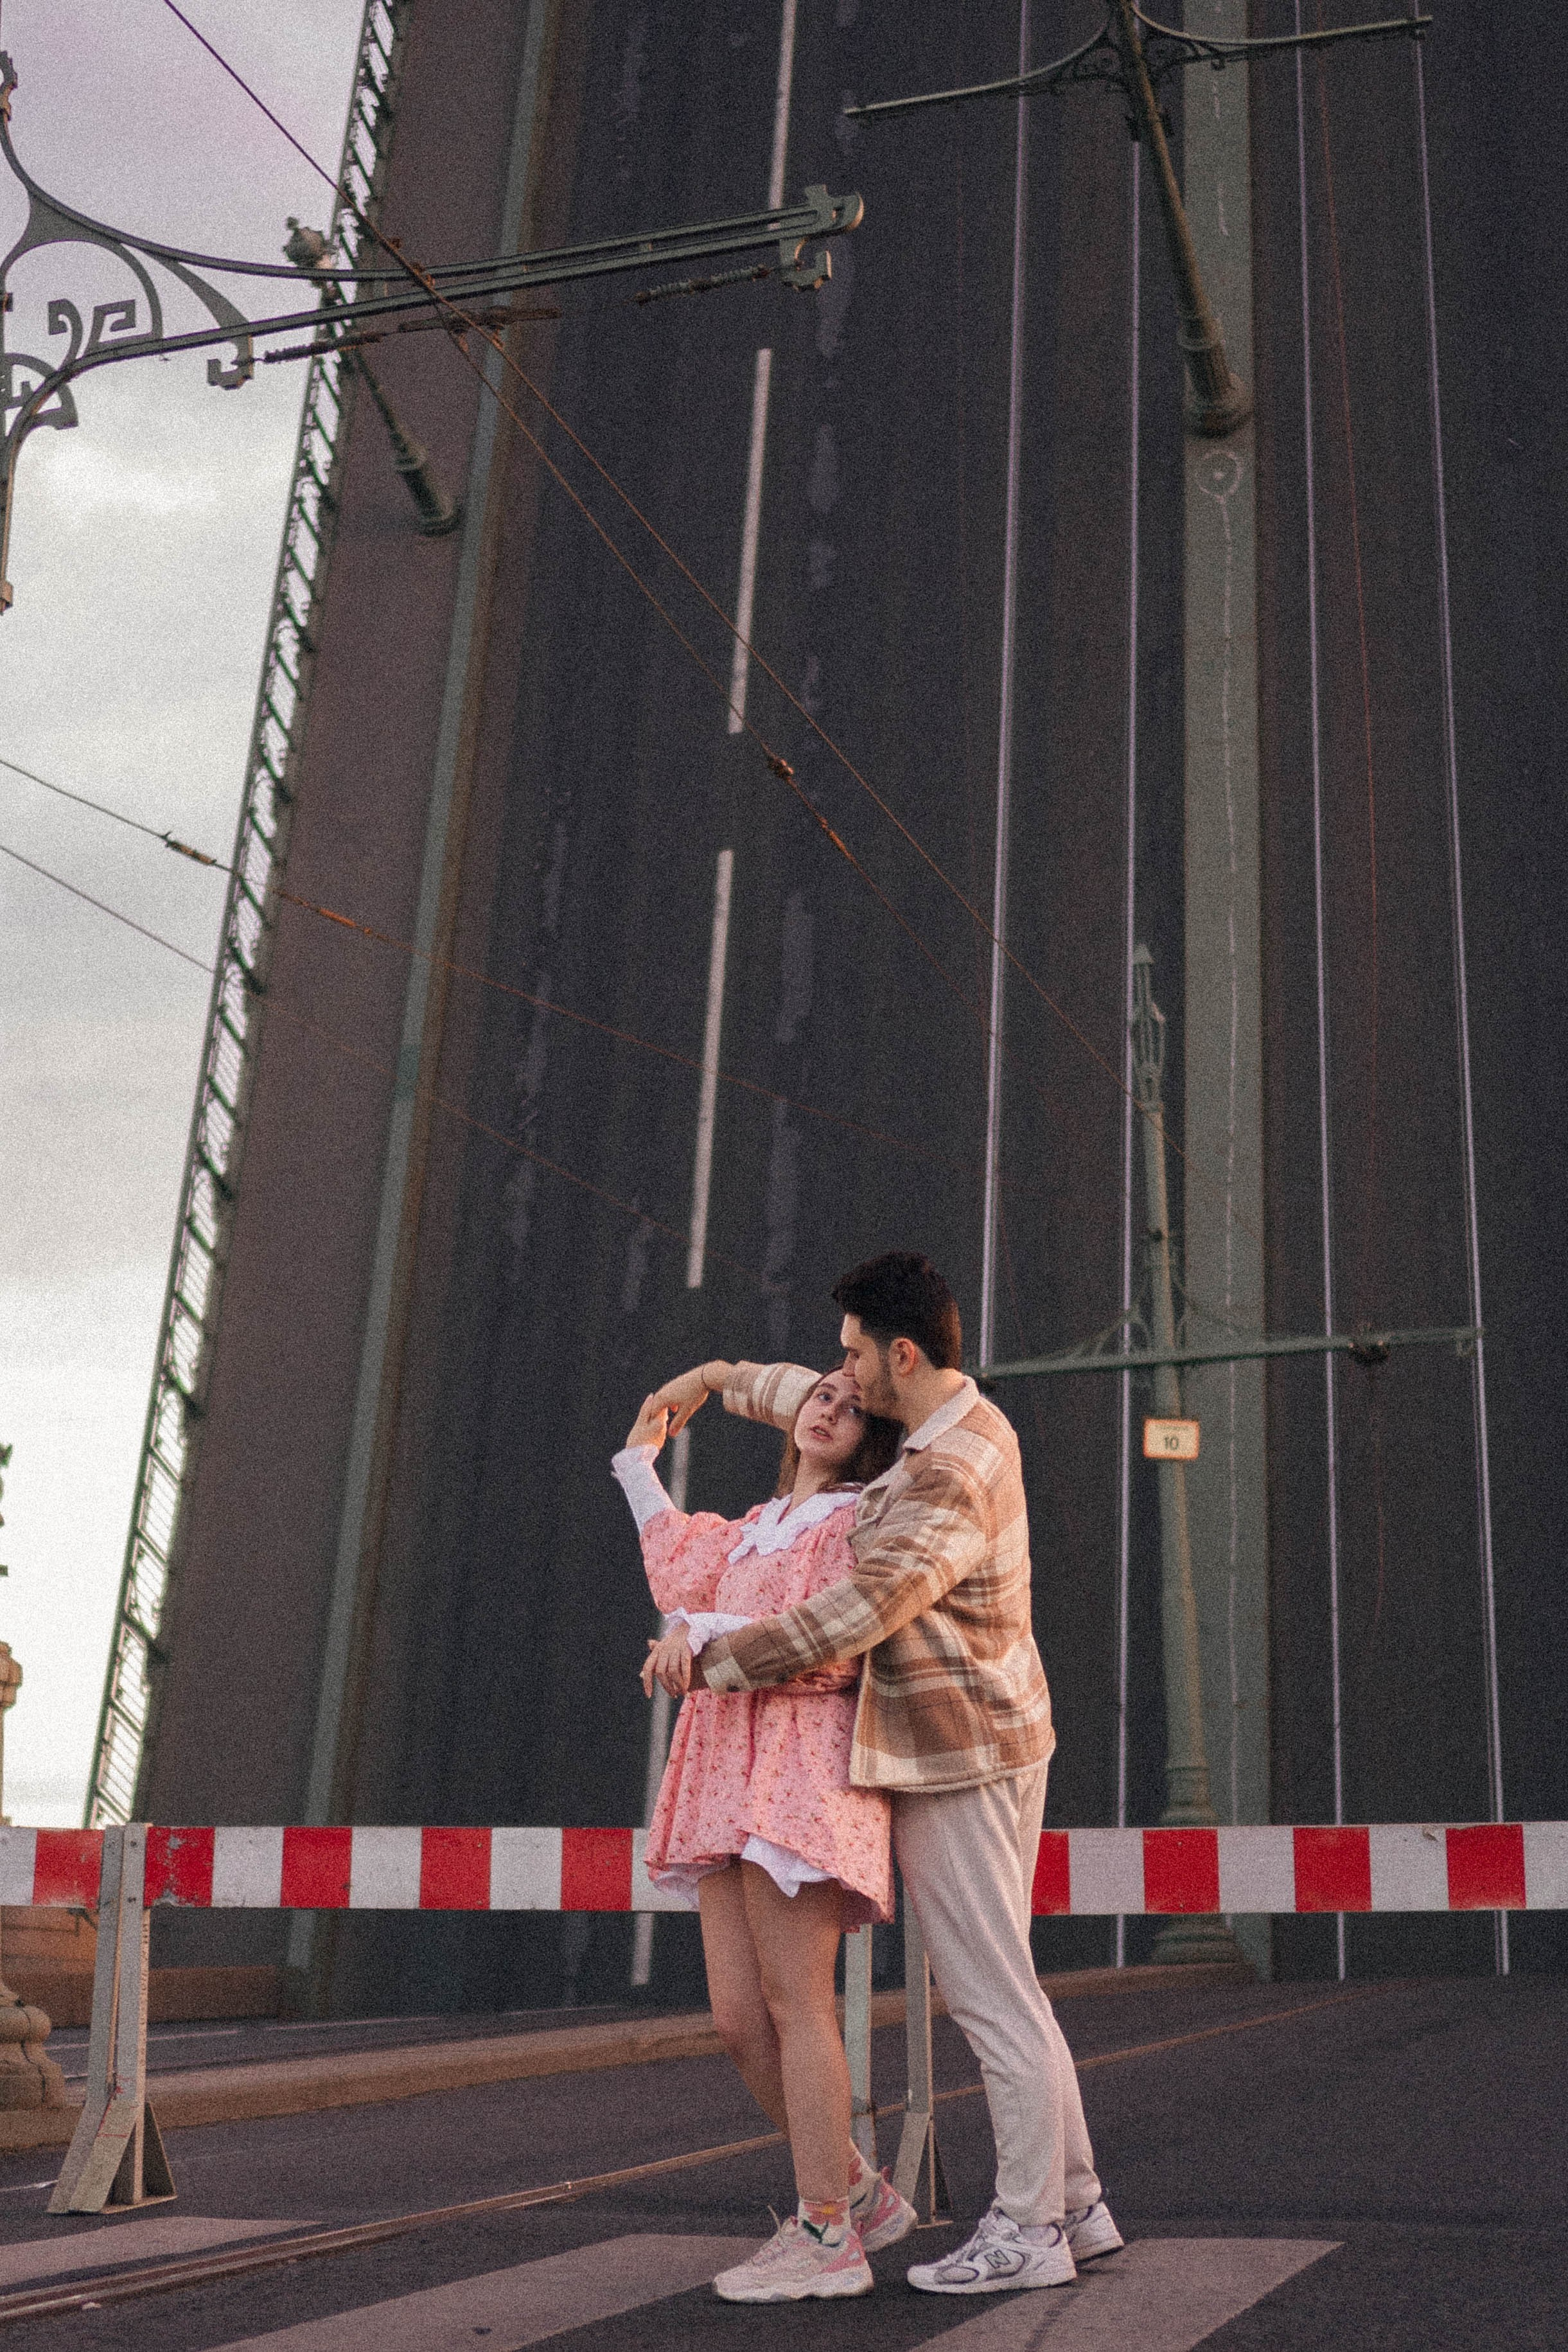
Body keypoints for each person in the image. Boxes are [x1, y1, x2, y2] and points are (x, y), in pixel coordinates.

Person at [646, 1251, 1123, 2295]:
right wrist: (714, 1378)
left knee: (990, 1994)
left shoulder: (951, 1467)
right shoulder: (930, 1422)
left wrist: (708, 1656)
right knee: (1006, 1982)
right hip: (970, 1733)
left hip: (960, 1747)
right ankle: (1077, 2202)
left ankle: (1030, 2225)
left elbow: (856, 1614)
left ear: (900, 1356)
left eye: (854, 1355)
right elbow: (803, 1398)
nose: (841, 1377)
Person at [613, 1365, 914, 2302]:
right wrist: (638, 1457)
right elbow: (679, 1566)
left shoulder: (858, 1519)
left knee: (798, 2006)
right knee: (738, 2019)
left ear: (871, 1438)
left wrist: (698, 1631)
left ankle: (826, 2229)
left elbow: (822, 1643)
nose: (831, 1409)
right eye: (822, 1394)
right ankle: (858, 2193)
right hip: (723, 1770)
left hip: (797, 1769)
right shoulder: (755, 1525)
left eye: (854, 1407)